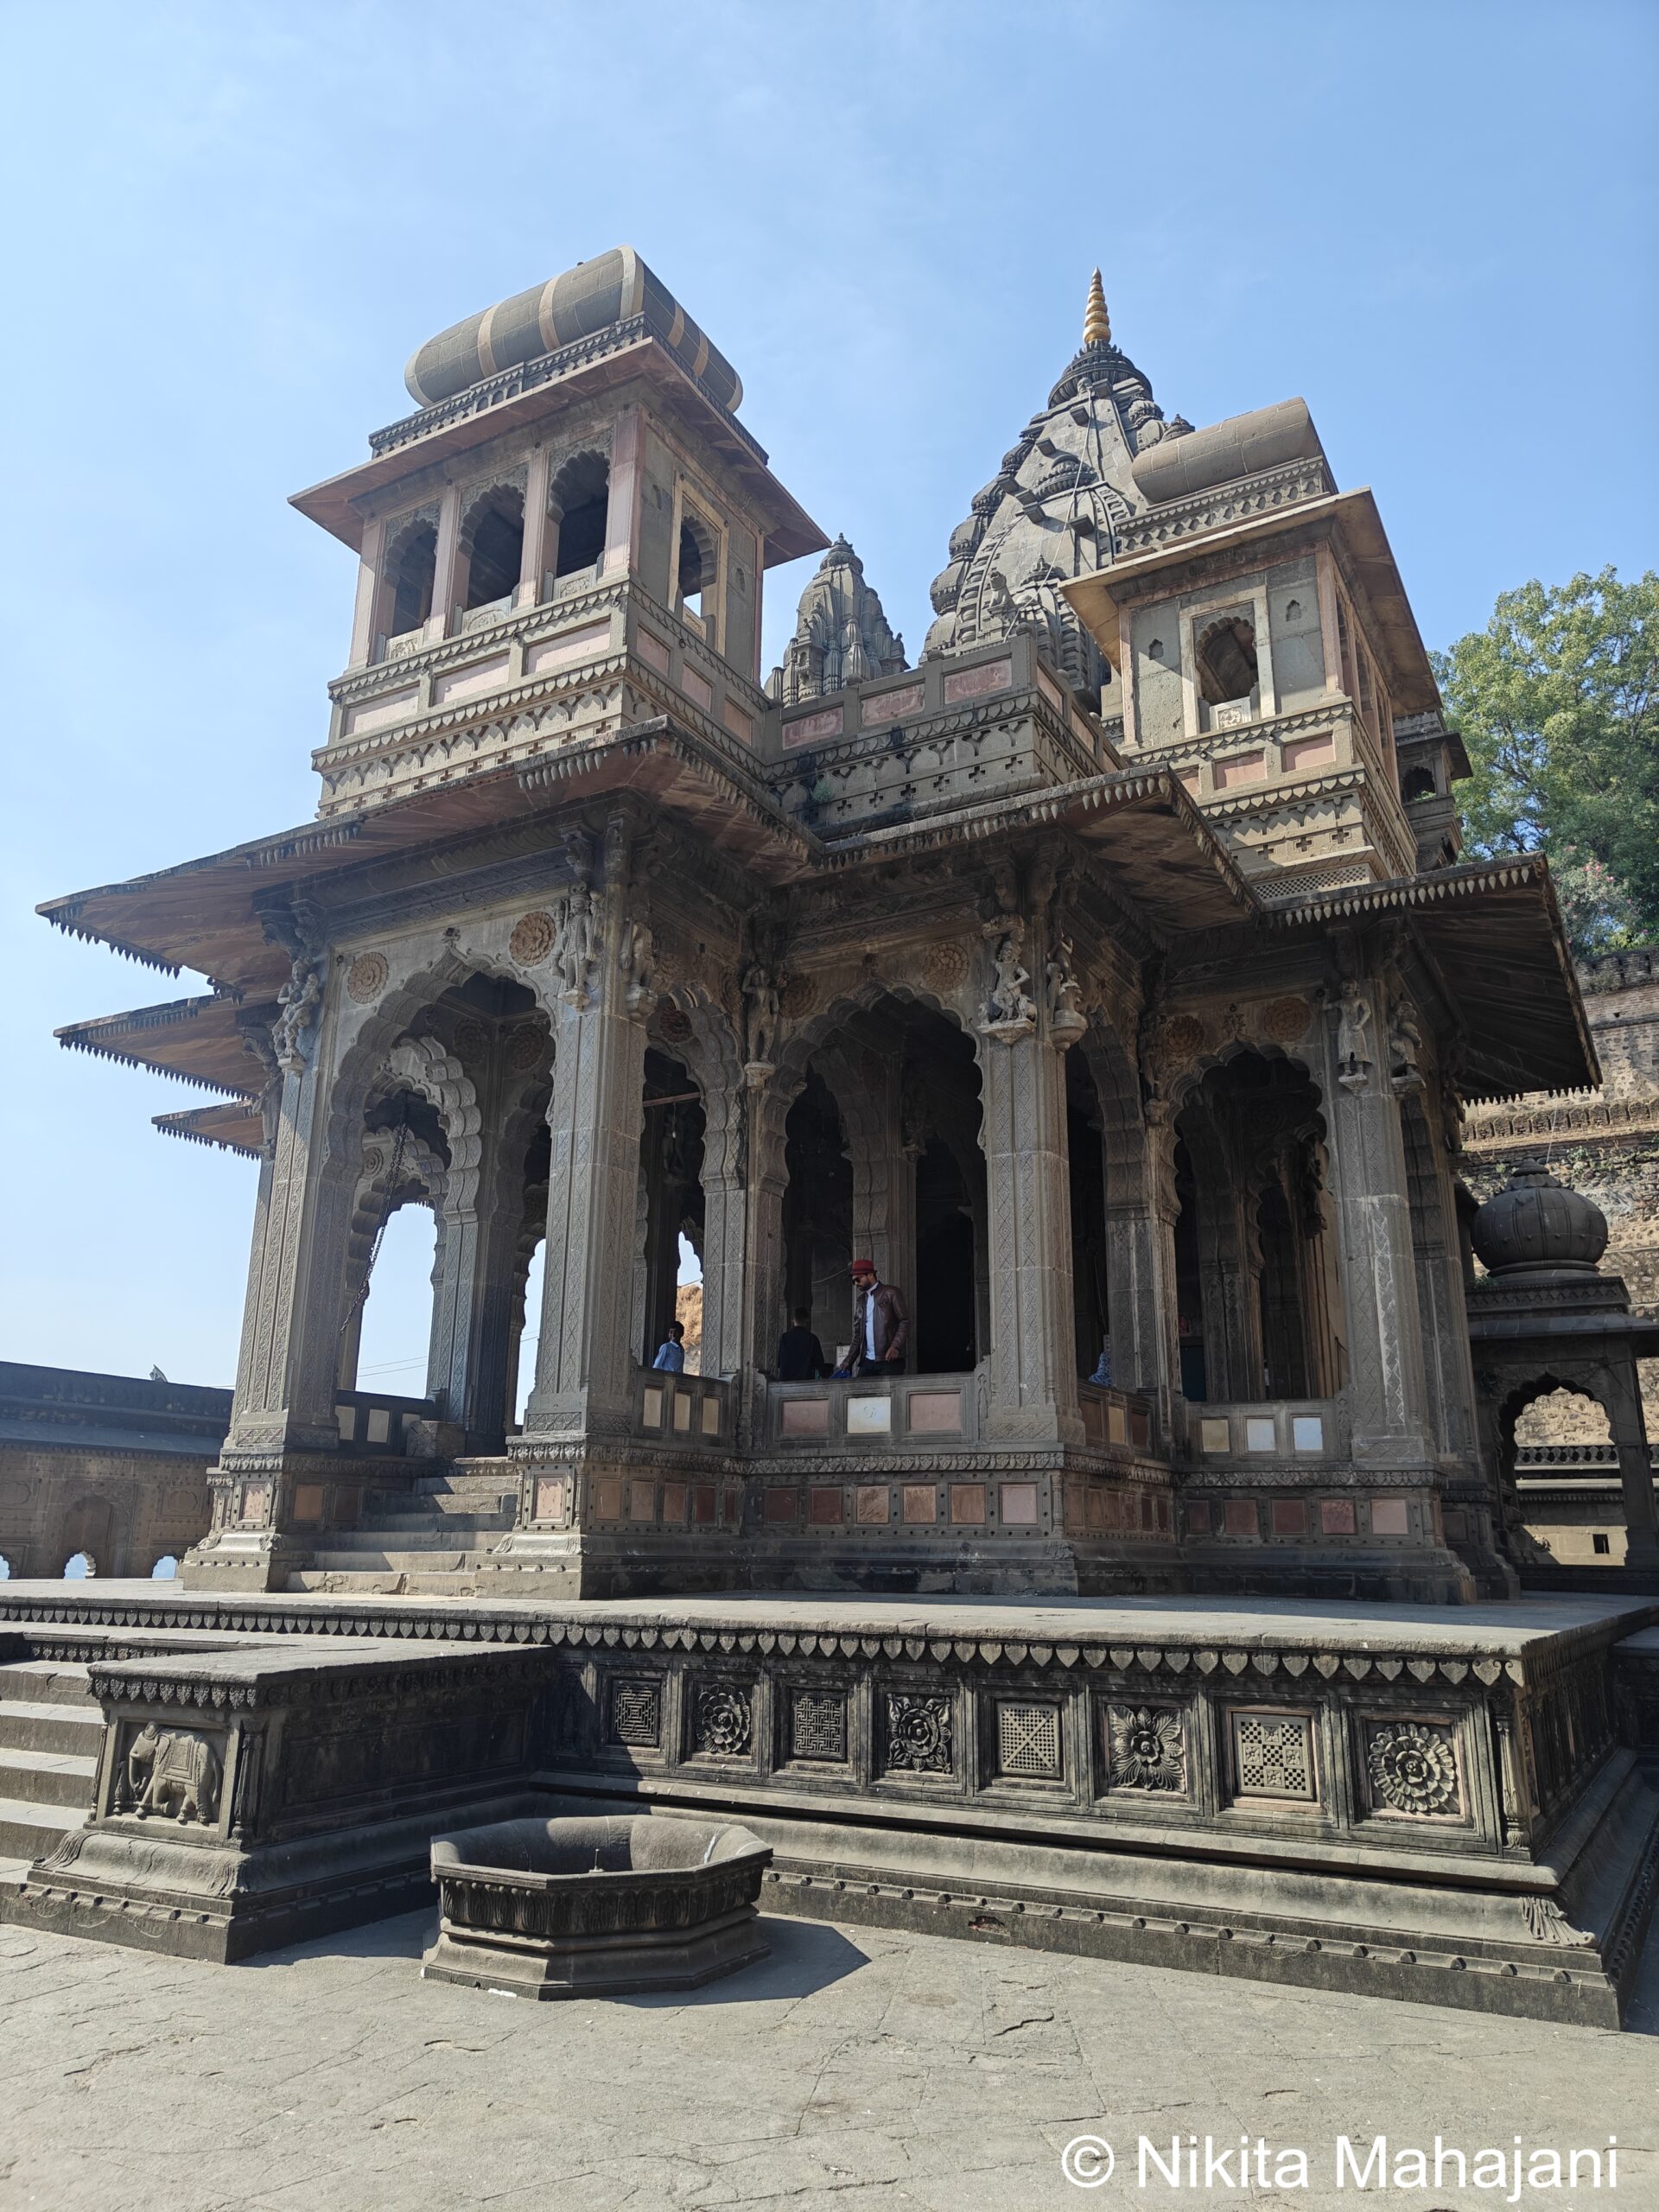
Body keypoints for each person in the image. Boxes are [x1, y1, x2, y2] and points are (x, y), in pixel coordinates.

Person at [841, 1259, 908, 1377]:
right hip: (867, 1361)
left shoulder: (891, 1292)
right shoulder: (860, 1301)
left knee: (888, 1395)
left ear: (871, 1275)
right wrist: (849, 1360)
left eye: (858, 1279)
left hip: (889, 1359)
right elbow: (858, 1336)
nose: (856, 1284)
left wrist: (895, 1346)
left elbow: (904, 1321)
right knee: (860, 1394)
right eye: (853, 1281)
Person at [776, 1306, 830, 1382]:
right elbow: (819, 1363)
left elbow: (778, 1362)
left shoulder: (784, 1338)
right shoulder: (812, 1339)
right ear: (807, 1319)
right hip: (806, 1382)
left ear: (792, 1319)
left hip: (786, 1383)